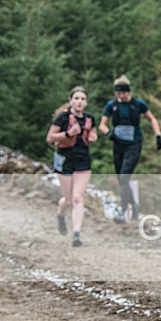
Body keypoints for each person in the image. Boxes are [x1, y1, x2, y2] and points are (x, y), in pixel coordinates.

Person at [98, 75, 161, 223]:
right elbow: (102, 124)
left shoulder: (138, 104)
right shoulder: (111, 105)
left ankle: (123, 211)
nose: (121, 96)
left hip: (134, 144)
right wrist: (109, 133)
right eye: (118, 93)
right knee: (122, 179)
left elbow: (152, 118)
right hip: (118, 144)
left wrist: (157, 135)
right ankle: (134, 205)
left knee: (125, 176)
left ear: (129, 92)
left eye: (123, 93)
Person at [46, 86, 98, 247]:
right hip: (65, 159)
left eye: (82, 99)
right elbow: (50, 137)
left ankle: (76, 234)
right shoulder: (62, 118)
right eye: (76, 98)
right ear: (71, 101)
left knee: (77, 197)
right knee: (68, 199)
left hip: (83, 160)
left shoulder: (90, 119)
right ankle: (60, 215)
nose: (79, 102)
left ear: (86, 102)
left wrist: (93, 136)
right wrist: (68, 134)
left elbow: (93, 134)